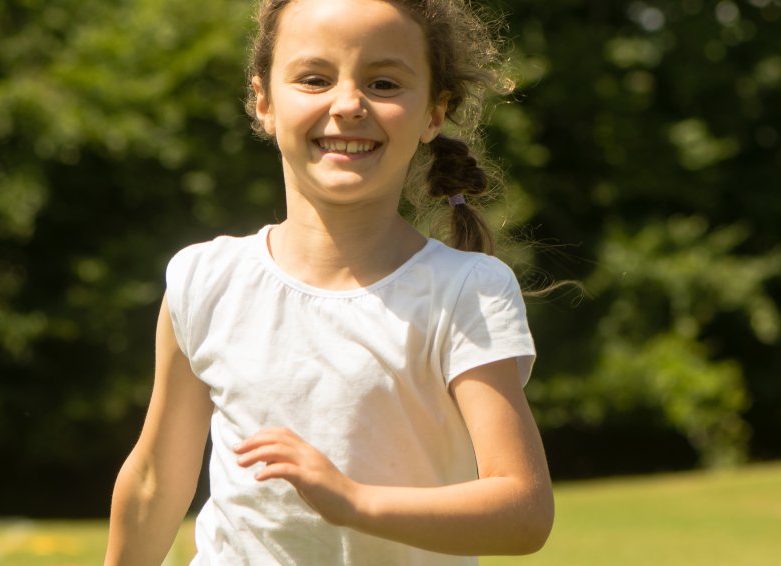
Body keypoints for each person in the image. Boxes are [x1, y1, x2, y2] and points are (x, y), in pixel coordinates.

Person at [105, 0, 553, 563]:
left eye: (384, 83)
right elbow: (153, 482)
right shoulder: (204, 279)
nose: (347, 105)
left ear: (433, 115)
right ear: (263, 102)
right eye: (314, 79)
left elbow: (524, 512)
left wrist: (353, 501)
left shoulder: (468, 291)